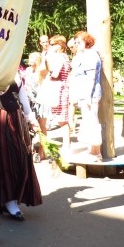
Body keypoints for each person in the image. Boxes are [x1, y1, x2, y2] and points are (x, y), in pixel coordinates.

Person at [0, 72, 42, 220]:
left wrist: (31, 119)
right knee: (5, 157)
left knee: (22, 156)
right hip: (0, 116)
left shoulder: (20, 74)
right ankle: (8, 199)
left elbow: (23, 98)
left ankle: (13, 197)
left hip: (16, 116)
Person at [69, 31, 103, 159]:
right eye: (76, 42)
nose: (77, 45)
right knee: (88, 120)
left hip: (91, 94)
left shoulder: (91, 55)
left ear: (86, 42)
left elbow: (91, 78)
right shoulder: (81, 55)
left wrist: (88, 96)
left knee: (92, 121)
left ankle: (96, 152)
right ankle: (91, 149)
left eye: (79, 42)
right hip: (83, 93)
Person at [39, 35, 72, 152]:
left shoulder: (60, 57)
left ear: (60, 45)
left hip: (60, 89)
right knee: (61, 118)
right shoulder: (64, 57)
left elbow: (55, 74)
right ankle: (66, 144)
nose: (50, 46)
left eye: (52, 44)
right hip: (61, 88)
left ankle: (67, 144)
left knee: (62, 118)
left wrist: (48, 69)